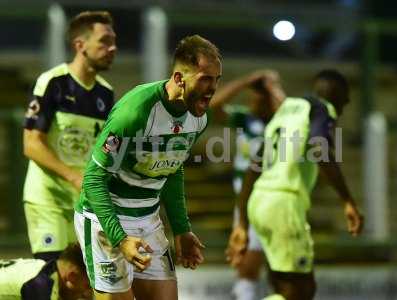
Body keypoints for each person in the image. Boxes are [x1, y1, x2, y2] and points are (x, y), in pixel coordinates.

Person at [74, 34, 222, 300]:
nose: (212, 89)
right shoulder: (137, 113)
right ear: (179, 79)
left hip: (148, 220)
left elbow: (173, 169)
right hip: (106, 220)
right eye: (205, 79)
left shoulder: (198, 118)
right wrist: (120, 238)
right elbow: (94, 180)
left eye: (216, 80)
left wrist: (181, 228)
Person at [226, 69, 364, 300]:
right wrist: (347, 200)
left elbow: (254, 166)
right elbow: (320, 147)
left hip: (259, 203)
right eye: (345, 98)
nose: (346, 103)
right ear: (335, 94)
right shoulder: (321, 108)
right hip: (283, 203)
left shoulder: (285, 111)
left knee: (284, 285)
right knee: (300, 291)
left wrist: (242, 223)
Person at [22, 11, 117, 262]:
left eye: (113, 41)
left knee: (83, 284)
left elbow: (105, 148)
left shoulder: (106, 93)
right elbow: (31, 144)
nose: (112, 48)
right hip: (48, 200)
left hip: (83, 204)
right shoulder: (53, 82)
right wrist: (74, 176)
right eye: (104, 41)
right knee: (55, 277)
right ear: (80, 45)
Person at [210, 70, 284, 300]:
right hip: (247, 203)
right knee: (247, 265)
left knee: (281, 270)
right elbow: (214, 106)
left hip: (278, 201)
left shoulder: (282, 123)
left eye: (261, 97)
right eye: (253, 96)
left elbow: (290, 111)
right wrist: (243, 82)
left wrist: (272, 87)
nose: (255, 101)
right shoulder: (244, 118)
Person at [0, 243, 92, 300]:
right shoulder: (41, 286)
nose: (88, 293)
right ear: (72, 276)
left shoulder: (44, 268)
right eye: (87, 286)